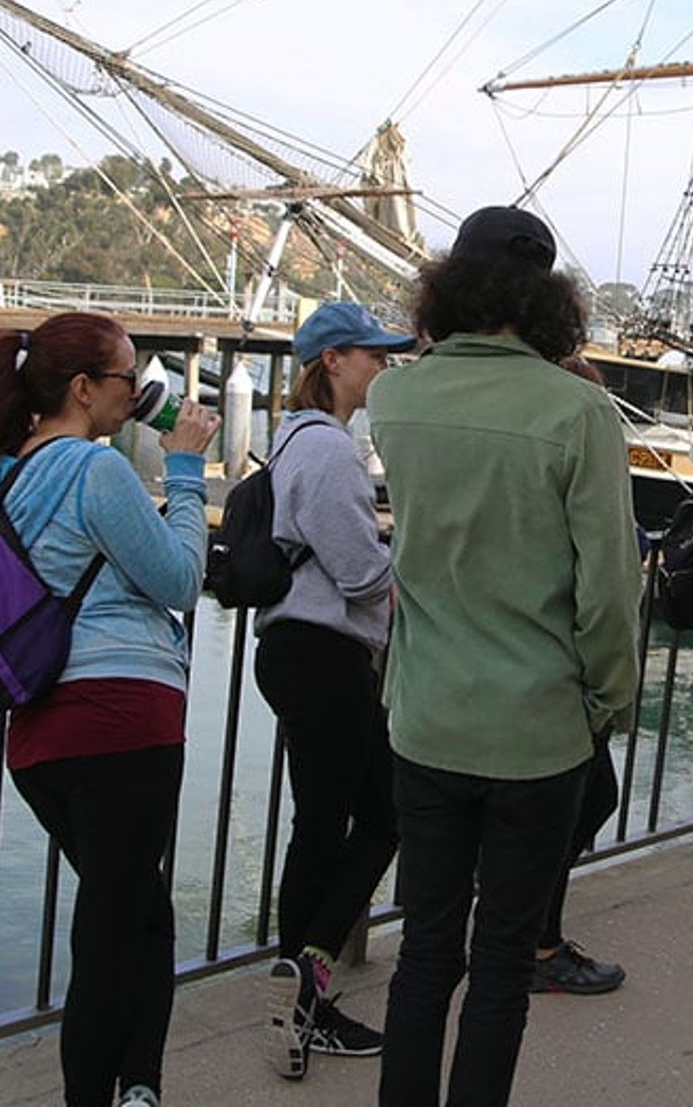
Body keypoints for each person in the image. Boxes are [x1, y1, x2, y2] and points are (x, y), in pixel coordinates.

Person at [368, 205, 640, 1107]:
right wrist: (605, 700)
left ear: (450, 286)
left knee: (425, 954)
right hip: (537, 730)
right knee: (500, 968)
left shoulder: (394, 397)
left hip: (428, 719)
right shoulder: (579, 412)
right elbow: (608, 590)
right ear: (549, 299)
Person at [0, 312, 219, 1107]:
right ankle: (111, 1094)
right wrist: (187, 472)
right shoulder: (93, 471)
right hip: (122, 722)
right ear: (82, 389)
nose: (138, 395)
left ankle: (139, 1087)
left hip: (41, 737)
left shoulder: (7, 473)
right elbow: (176, 580)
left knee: (139, 914)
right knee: (114, 930)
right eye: (128, 381)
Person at [256, 302, 415, 1079]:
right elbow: (359, 573)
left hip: (302, 652)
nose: (382, 367)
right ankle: (305, 985)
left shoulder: (297, 442)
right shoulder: (327, 451)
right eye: (372, 355)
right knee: (373, 816)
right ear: (332, 363)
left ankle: (301, 978)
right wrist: (410, 573)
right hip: (322, 652)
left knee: (326, 821)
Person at [527, 352, 630, 997]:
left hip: (504, 681)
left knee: (580, 805)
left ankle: (530, 928)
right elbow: (607, 588)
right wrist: (608, 693)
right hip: (563, 679)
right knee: (575, 807)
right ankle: (536, 943)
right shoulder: (581, 455)